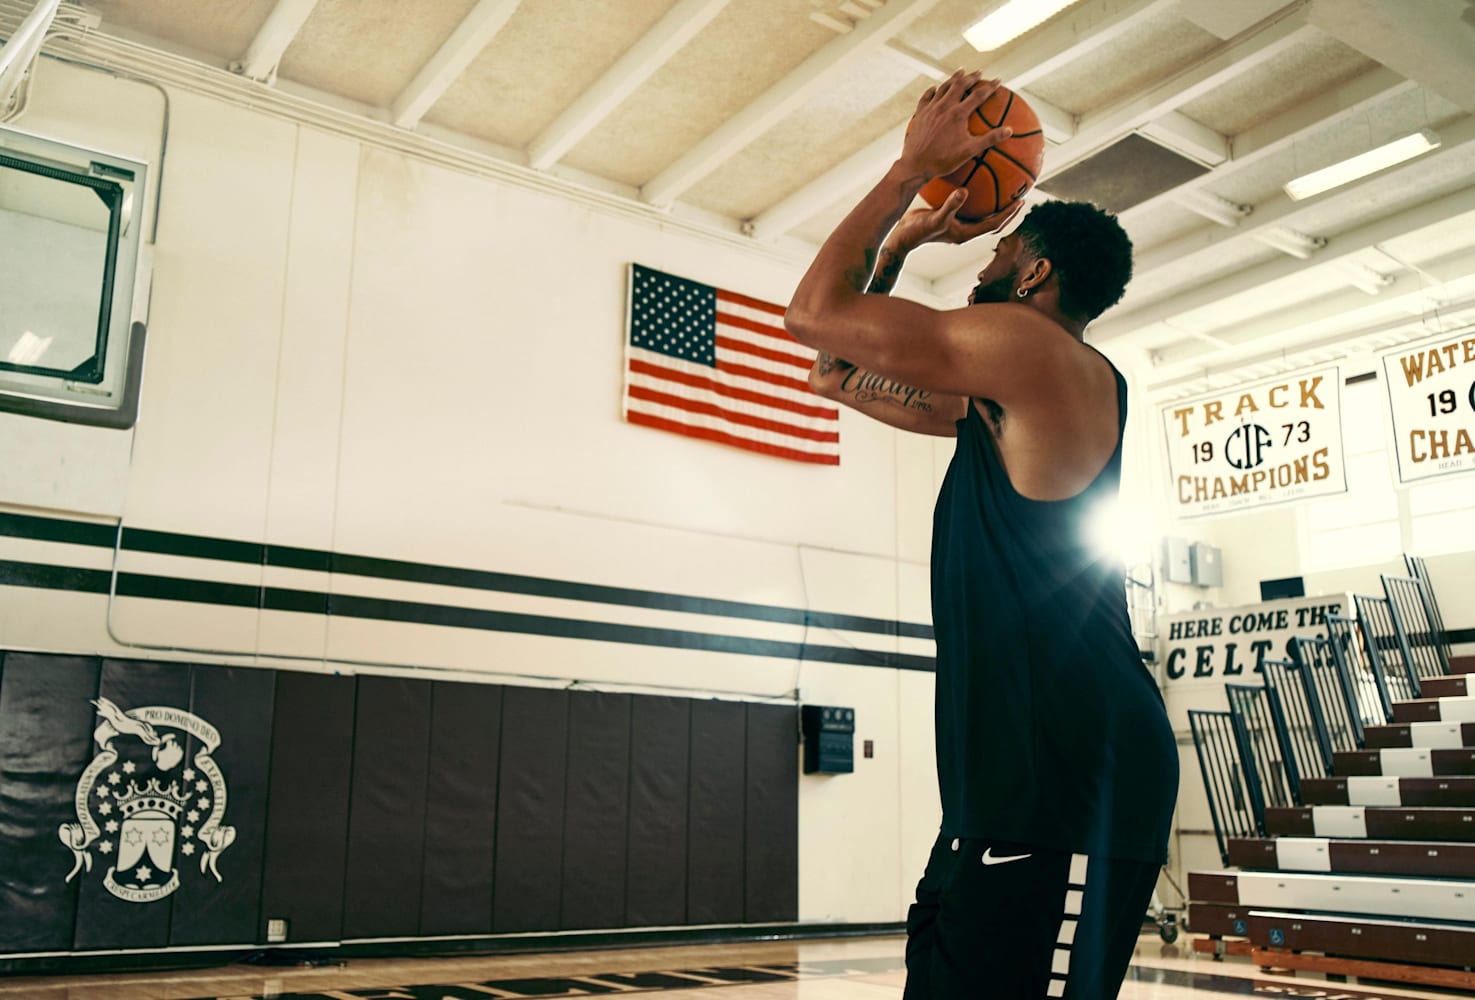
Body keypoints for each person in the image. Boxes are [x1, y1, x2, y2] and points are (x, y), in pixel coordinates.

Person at [785, 70, 1179, 998]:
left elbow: (810, 313)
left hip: (1074, 785)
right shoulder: (1003, 400)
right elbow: (833, 371)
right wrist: (908, 238)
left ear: (1035, 275)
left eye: (1001, 252)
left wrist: (906, 173)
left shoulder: (1039, 352)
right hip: (1012, 790)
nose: (983, 260)